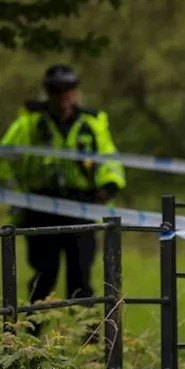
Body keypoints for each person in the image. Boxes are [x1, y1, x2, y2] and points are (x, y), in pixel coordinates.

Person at [0, 64, 126, 307]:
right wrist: (17, 194)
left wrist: (109, 186)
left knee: (81, 280)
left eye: (68, 89)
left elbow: (110, 159)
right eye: (56, 89)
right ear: (47, 91)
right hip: (40, 206)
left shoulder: (91, 123)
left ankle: (88, 342)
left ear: (75, 91)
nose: (62, 95)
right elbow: (4, 158)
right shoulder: (29, 124)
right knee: (43, 278)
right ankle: (30, 340)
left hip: (82, 207)